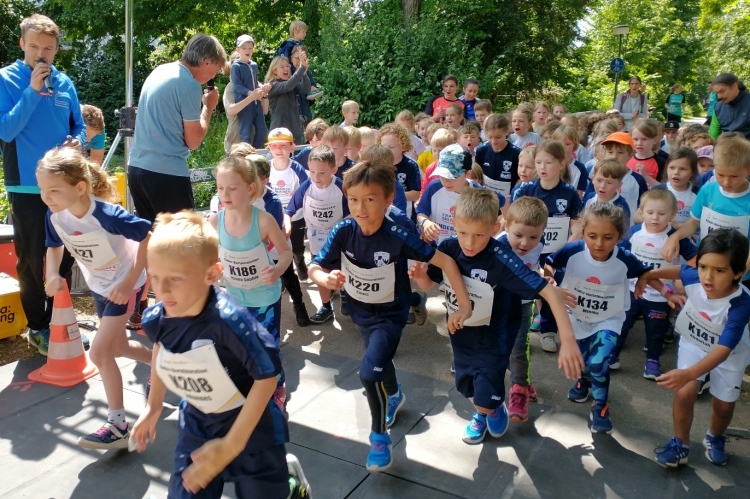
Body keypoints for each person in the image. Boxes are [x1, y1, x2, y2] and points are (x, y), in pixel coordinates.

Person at [130, 211, 311, 499]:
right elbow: (162, 349)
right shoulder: (157, 319)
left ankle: (290, 485)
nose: (162, 290)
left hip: (251, 430)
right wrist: (153, 406)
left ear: (212, 274)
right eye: (156, 277)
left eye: (175, 278)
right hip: (198, 424)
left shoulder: (231, 323)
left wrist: (230, 445)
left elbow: (267, 377)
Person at [309, 159, 472, 471]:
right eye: (353, 199)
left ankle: (379, 437)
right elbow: (315, 264)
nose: (360, 208)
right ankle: (394, 394)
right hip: (361, 313)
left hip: (390, 315)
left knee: (369, 374)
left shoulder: (397, 234)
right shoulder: (344, 230)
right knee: (378, 360)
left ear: (388, 199)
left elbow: (447, 262)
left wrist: (463, 305)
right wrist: (323, 278)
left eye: (369, 199)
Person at [412, 188, 583, 442]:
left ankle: (485, 412)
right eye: (463, 233)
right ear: (454, 224)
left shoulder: (502, 258)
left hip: (496, 335)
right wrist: (420, 277)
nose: (469, 243)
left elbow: (547, 292)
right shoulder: (448, 248)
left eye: (479, 235)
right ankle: (489, 408)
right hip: (462, 332)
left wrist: (567, 341)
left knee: (485, 391)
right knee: (465, 384)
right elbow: (429, 285)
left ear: (494, 229)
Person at [39, 147, 152, 449]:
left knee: (100, 353)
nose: (46, 197)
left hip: (125, 283)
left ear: (79, 188)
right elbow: (54, 246)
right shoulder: (55, 215)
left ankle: (118, 424)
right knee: (117, 347)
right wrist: (52, 274)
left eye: (54, 190)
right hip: (100, 285)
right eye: (42, 189)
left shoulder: (105, 214)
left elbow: (148, 237)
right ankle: (161, 363)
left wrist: (129, 282)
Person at [0, 13, 86, 354]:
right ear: (22, 43)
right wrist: (33, 92)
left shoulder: (65, 82)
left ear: (56, 49)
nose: (41, 54)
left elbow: (79, 125)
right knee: (33, 258)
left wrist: (78, 141)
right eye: (34, 46)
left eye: (48, 48)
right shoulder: (6, 79)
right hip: (26, 185)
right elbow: (6, 130)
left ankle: (58, 321)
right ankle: (37, 327)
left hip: (64, 185)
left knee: (65, 256)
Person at [553, 202, 665, 433]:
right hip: (576, 317)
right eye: (592, 236)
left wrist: (668, 292)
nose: (599, 243)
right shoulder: (572, 251)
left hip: (608, 320)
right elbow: (549, 264)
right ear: (583, 232)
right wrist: (550, 281)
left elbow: (646, 272)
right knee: (582, 361)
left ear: (619, 237)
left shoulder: (624, 258)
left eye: (608, 237)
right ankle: (584, 381)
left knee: (599, 362)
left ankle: (600, 405)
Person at [652, 229, 750, 468]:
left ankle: (714, 436)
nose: (708, 277)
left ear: (738, 272)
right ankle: (680, 443)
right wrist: (651, 278)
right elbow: (679, 271)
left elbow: (725, 348)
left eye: (719, 271)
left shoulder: (741, 303)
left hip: (730, 353)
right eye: (703, 267)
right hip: (695, 341)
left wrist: (688, 373)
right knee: (684, 393)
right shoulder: (694, 277)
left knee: (724, 406)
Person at [208, 155, 292, 410]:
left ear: (250, 188)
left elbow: (286, 252)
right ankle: (245, 387)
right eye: (220, 188)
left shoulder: (263, 220)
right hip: (234, 297)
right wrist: (211, 270)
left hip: (264, 298)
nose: (225, 194)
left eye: (232, 188)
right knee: (237, 346)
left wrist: (277, 269)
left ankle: (277, 385)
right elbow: (208, 258)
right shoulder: (215, 221)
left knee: (267, 347)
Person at [613, 189, 697, 378]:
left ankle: (652, 360)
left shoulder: (676, 238)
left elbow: (695, 260)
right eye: (650, 212)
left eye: (662, 213)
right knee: (622, 324)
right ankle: (612, 354)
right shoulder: (634, 232)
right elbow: (618, 254)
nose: (655, 218)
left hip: (661, 296)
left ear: (673, 214)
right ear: (642, 211)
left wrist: (682, 278)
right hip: (631, 291)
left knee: (656, 331)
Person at [512, 140, 583, 353]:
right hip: (527, 250)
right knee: (524, 289)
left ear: (561, 164)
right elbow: (512, 221)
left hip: (555, 253)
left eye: (548, 162)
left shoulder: (569, 193)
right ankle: (518, 331)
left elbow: (577, 224)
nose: (542, 167)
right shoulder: (525, 189)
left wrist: (567, 248)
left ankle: (548, 332)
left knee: (553, 288)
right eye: (538, 162)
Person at [234, 146, 311, 327]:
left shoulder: (272, 201)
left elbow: (272, 234)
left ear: (265, 180)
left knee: (288, 276)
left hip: (275, 249)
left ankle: (299, 305)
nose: (248, 185)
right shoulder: (242, 196)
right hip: (252, 250)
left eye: (253, 180)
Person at [495, 196, 549, 421]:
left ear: (543, 232)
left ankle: (518, 390)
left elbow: (539, 265)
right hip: (497, 306)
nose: (525, 243)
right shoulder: (497, 245)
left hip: (524, 305)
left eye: (533, 237)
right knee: (500, 348)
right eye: (518, 235)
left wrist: (546, 277)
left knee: (518, 348)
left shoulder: (540, 245)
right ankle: (523, 380)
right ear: (507, 225)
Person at [662, 137, 750, 276]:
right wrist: (675, 237)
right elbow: (694, 222)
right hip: (704, 266)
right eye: (720, 174)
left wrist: (739, 274)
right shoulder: (707, 190)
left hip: (738, 273)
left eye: (734, 176)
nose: (726, 182)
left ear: (748, 170)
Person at [285, 146, 348, 324]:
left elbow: (352, 213)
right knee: (320, 271)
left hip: (340, 241)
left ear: (333, 169)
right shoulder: (307, 187)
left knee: (344, 270)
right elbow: (290, 210)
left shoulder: (341, 188)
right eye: (312, 171)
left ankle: (345, 296)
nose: (316, 177)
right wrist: (287, 224)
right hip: (317, 241)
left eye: (322, 173)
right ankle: (326, 306)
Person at [417, 144, 501, 246]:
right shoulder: (434, 187)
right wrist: (425, 223)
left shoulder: (479, 193)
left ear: (468, 173)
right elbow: (421, 212)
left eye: (452, 176)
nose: (446, 180)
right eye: (442, 175)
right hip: (439, 247)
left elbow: (500, 208)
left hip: (468, 247)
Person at [266, 128, 310, 283]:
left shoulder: (297, 168)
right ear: (269, 148)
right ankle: (286, 274)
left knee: (297, 247)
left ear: (292, 147)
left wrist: (290, 210)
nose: (279, 149)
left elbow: (306, 190)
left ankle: (299, 260)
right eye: (274, 145)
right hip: (274, 217)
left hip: (296, 216)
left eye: (283, 145)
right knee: (279, 247)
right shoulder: (266, 168)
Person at [584, 132, 649, 226]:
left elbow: (643, 207)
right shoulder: (598, 177)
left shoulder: (637, 180)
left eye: (620, 152)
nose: (614, 156)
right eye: (610, 152)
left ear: (630, 155)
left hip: (627, 228)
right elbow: (588, 200)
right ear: (604, 153)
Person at [231, 35, 269, 149]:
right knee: (245, 133)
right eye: (244, 48)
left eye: (250, 48)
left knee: (262, 132)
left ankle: (256, 151)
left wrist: (262, 87)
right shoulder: (236, 66)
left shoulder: (254, 65)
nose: (247, 50)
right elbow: (237, 86)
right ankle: (246, 154)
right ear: (238, 50)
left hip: (257, 103)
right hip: (245, 104)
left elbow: (255, 81)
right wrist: (250, 94)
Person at [377, 123, 420, 220]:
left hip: (405, 215)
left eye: (391, 147)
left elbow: (416, 194)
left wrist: (395, 195)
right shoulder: (377, 165)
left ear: (403, 146)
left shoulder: (411, 166)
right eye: (383, 146)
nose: (387, 150)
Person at [265, 55, 310, 145]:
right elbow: (288, 86)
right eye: (282, 67)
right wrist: (301, 68)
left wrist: (304, 74)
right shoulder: (272, 85)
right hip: (279, 133)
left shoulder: (291, 83)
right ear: (274, 71)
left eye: (287, 66)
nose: (286, 69)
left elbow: (305, 89)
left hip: (296, 132)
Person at [474, 114, 521, 199]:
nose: (493, 141)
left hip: (507, 199)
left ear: (507, 131)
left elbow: (521, 177)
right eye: (490, 137)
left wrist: (514, 193)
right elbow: (476, 173)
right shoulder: (481, 150)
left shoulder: (516, 153)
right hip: (486, 197)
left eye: (498, 137)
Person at [583, 159, 631, 224]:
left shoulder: (621, 206)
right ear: (593, 179)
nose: (603, 186)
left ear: (619, 185)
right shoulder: (589, 197)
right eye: (599, 180)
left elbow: (624, 228)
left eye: (609, 183)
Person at [709, 73, 750, 140]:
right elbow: (713, 137)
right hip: (726, 145)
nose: (719, 96)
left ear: (735, 86)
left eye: (722, 91)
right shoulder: (718, 107)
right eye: (717, 93)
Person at [628, 119, 667, 187]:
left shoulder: (661, 163)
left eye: (644, 139)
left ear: (655, 140)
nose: (639, 143)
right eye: (635, 139)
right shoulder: (627, 159)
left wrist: (646, 176)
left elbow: (665, 188)